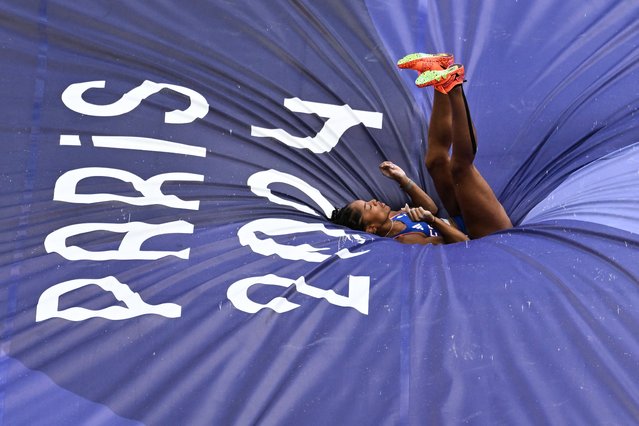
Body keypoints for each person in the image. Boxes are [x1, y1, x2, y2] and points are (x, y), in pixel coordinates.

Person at [330, 53, 513, 245]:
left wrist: (403, 180)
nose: (374, 200)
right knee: (461, 169)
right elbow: (463, 242)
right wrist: (431, 221)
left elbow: (431, 207)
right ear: (371, 228)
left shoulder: (392, 217)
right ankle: (454, 86)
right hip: (486, 233)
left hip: (458, 218)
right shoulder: (406, 240)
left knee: (435, 161)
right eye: (369, 207)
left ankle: (439, 74)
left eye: (368, 201)